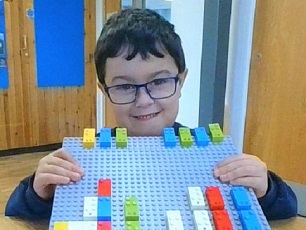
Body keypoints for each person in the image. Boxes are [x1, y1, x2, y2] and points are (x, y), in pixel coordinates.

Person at [5, 8, 297, 221]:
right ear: (104, 91)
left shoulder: (212, 155)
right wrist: (38, 188)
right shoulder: (84, 158)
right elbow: (15, 210)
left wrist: (265, 186)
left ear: (180, 81)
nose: (143, 101)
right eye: (124, 86)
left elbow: (285, 208)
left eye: (158, 82)